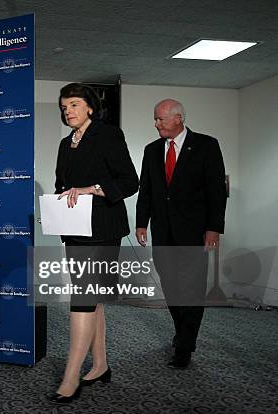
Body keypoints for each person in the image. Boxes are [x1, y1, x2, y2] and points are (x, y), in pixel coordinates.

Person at [48, 83, 138, 404]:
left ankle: (71, 375)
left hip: (102, 228)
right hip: (74, 228)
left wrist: (91, 189)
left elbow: (130, 182)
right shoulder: (64, 143)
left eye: (73, 105)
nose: (67, 111)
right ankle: (100, 365)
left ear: (89, 107)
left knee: (83, 298)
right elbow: (64, 183)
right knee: (92, 297)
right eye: (64, 107)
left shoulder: (109, 134)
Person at [135, 98, 227, 369]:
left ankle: (185, 346)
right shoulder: (151, 150)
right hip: (163, 232)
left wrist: (213, 228)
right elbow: (147, 190)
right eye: (155, 118)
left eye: (160, 119)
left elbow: (216, 191)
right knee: (172, 286)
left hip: (195, 233)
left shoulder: (207, 146)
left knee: (192, 289)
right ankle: (181, 332)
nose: (156, 124)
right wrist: (142, 223)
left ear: (178, 119)